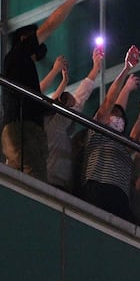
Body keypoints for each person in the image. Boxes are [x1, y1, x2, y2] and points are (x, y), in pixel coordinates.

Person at [1, 0, 94, 181]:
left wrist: (60, 81)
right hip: (25, 129)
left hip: (22, 129)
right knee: (34, 180)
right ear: (25, 38)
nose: (41, 44)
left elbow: (41, 102)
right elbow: (50, 25)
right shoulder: (19, 55)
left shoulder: (20, 67)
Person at [80, 45, 140, 222]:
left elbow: (136, 140)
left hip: (120, 195)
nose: (117, 117)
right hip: (98, 186)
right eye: (114, 114)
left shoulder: (124, 146)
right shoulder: (99, 130)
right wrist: (126, 69)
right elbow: (110, 100)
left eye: (121, 116)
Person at [43, 48, 103, 191]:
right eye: (70, 104)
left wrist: (64, 82)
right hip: (53, 183)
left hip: (56, 181)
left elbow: (57, 103)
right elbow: (80, 97)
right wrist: (95, 69)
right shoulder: (55, 125)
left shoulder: (53, 127)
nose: (73, 105)